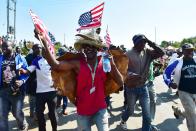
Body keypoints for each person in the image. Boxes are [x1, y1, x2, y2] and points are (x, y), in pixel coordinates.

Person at [35, 29, 123, 131]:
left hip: (100, 109)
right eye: (85, 46)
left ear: (97, 48)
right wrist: (45, 43)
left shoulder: (105, 63)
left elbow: (120, 82)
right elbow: (56, 65)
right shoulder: (77, 63)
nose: (88, 48)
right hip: (83, 111)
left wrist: (112, 65)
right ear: (83, 49)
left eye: (91, 46)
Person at [120, 34, 164, 131]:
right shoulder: (127, 54)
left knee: (147, 115)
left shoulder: (148, 53)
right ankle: (123, 120)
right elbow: (122, 71)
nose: (143, 44)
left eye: (144, 42)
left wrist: (149, 41)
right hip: (131, 88)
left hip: (144, 87)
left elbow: (161, 52)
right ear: (135, 43)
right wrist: (131, 74)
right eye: (141, 42)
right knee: (131, 111)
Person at [20, 44, 58, 131]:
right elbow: (29, 70)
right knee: (39, 114)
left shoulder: (53, 60)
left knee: (52, 114)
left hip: (52, 91)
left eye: (46, 50)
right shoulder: (37, 60)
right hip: (40, 92)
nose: (44, 52)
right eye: (43, 50)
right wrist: (23, 71)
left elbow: (59, 72)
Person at [163, 43, 196, 131]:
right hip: (184, 91)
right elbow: (166, 73)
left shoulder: (195, 60)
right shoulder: (178, 62)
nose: (190, 52)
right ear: (183, 51)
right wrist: (169, 83)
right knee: (193, 115)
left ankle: (178, 110)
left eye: (192, 50)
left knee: (190, 112)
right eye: (188, 51)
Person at [0, 41, 29, 131]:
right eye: (2, 47)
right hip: (3, 91)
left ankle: (22, 124)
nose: (3, 48)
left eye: (6, 46)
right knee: (2, 115)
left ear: (12, 46)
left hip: (17, 91)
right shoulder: (0, 58)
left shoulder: (20, 58)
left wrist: (22, 80)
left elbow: (26, 72)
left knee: (16, 113)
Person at [25, 44, 40, 120]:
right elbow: (25, 68)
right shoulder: (28, 57)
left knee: (37, 99)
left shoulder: (40, 57)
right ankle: (32, 112)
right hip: (30, 81)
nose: (39, 49)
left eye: (40, 48)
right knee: (32, 99)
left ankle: (35, 113)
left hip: (40, 82)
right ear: (34, 49)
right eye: (38, 48)